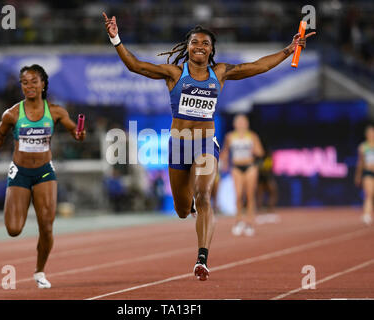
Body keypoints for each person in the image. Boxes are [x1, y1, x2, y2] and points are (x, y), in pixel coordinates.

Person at [102, 12, 314, 280]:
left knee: (203, 196)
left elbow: (258, 66)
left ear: (212, 49)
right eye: (194, 42)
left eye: (205, 43)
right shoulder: (174, 73)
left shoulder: (220, 73)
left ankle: (202, 258)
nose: (199, 46)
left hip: (205, 144)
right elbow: (135, 65)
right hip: (179, 145)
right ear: (188, 47)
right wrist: (115, 38)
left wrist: (289, 49)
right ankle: (187, 204)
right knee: (181, 210)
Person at [0, 64, 86, 288]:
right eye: (25, 82)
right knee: (13, 229)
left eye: (34, 81)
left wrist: (79, 134)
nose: (29, 86)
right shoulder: (12, 114)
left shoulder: (56, 111)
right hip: (20, 173)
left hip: (44, 173)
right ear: (21, 85)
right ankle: (24, 201)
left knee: (47, 227)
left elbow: (75, 131)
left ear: (43, 84)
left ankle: (40, 271)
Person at [220, 114, 264, 236]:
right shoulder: (230, 136)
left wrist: (255, 151)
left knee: (250, 195)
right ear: (235, 124)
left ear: (247, 123)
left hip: (250, 167)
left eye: (243, 122)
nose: (241, 124)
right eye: (238, 122)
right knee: (239, 195)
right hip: (236, 167)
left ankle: (249, 223)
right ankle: (238, 221)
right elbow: (225, 151)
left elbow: (260, 152)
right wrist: (223, 161)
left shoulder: (252, 136)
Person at [355, 124, 374, 226]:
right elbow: (360, 163)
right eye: (369, 133)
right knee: (369, 194)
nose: (371, 135)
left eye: (372, 133)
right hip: (368, 173)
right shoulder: (363, 147)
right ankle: (367, 215)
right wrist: (358, 175)